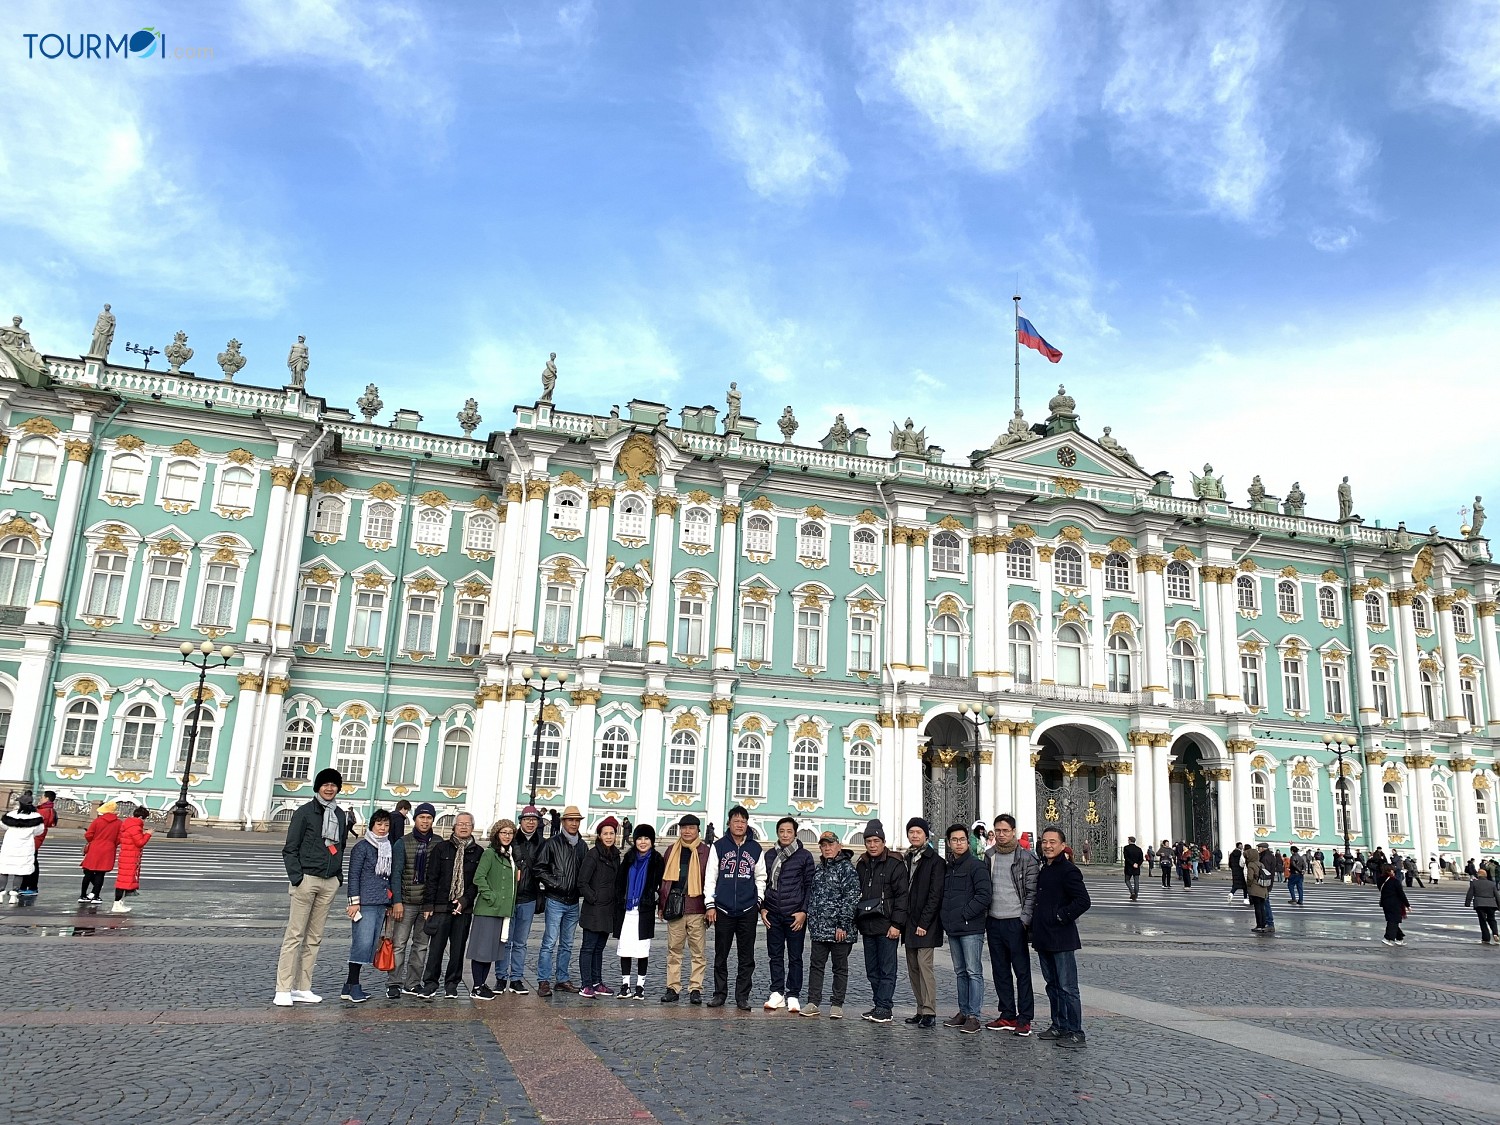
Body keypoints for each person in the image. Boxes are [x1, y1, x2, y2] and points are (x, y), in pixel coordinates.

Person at [274, 767, 351, 1007]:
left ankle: (303, 987)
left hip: (329, 881)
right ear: (318, 787)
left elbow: (341, 846)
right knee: (294, 935)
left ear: (338, 788)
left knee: (314, 937)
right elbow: (290, 848)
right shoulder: (304, 813)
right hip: (306, 879)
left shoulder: (339, 815)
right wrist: (298, 877)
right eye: (325, 784)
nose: (329, 788)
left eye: (334, 785)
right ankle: (283, 989)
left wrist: (337, 875)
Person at [1032, 827, 1092, 1048]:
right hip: (1044, 937)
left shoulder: (1068, 870)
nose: (1047, 846)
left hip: (1062, 937)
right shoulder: (1044, 868)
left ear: (1062, 844)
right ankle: (1059, 1025)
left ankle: (1076, 1031)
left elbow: (1083, 901)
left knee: (1068, 987)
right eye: (1044, 842)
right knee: (1052, 985)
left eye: (1052, 842)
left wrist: (1060, 916)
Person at [705, 805, 765, 1011]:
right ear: (729, 823)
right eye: (735, 821)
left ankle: (742, 996)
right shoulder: (719, 846)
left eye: (743, 821)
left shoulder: (755, 848)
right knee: (720, 955)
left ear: (747, 824)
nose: (739, 825)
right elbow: (711, 877)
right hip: (722, 909)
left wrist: (758, 900)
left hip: (747, 910)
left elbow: (761, 877)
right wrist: (710, 904)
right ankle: (719, 994)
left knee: (746, 956)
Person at [985, 813, 1039, 1036]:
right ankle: (1007, 1013)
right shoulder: (989, 855)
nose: (1001, 834)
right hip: (994, 921)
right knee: (1000, 971)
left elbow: (1032, 892)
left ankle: (1024, 1018)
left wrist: (1024, 920)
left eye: (1005, 830)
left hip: (1015, 922)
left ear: (1014, 832)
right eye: (998, 830)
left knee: (1022, 971)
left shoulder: (1026, 857)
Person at [421, 812, 482, 999]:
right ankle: (430, 983)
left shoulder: (479, 852)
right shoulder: (442, 849)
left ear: (472, 827)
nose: (463, 827)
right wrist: (428, 905)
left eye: (467, 824)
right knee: (436, 948)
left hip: (463, 908)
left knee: (458, 949)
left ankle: (452, 984)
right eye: (460, 824)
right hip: (441, 906)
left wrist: (465, 900)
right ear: (454, 827)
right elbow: (431, 877)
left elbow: (477, 882)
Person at [853, 819, 908, 1024]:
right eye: (869, 841)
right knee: (872, 970)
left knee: (887, 969)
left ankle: (885, 1007)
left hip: (887, 925)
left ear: (883, 842)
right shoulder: (862, 864)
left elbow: (903, 897)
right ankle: (879, 1004)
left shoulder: (895, 863)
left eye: (876, 840)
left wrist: (897, 924)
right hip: (867, 924)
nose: (873, 845)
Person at [940, 823, 992, 1034]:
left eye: (962, 839)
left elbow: (984, 896)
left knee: (973, 972)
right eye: (954, 840)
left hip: (971, 928)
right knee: (960, 972)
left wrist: (965, 913)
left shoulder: (976, 866)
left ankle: (974, 1016)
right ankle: (963, 1011)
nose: (958, 843)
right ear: (949, 843)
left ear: (967, 841)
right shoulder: (949, 867)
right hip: (954, 928)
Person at [761, 816, 815, 1013]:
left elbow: (810, 885)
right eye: (782, 831)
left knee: (795, 956)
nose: (785, 835)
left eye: (789, 831)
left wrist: (803, 912)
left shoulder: (804, 856)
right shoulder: (768, 855)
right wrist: (763, 908)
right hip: (773, 913)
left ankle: (793, 993)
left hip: (795, 915)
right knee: (774, 955)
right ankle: (777, 992)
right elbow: (762, 883)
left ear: (795, 834)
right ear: (777, 833)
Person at [534, 805, 589, 997]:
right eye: (570, 820)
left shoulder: (582, 845)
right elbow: (539, 869)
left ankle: (562, 979)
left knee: (567, 943)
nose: (574, 823)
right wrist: (555, 884)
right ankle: (543, 981)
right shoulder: (552, 843)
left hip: (573, 901)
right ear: (563, 822)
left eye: (577, 820)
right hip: (555, 899)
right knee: (549, 942)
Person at [341, 808, 395, 1004]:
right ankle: (354, 985)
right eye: (379, 824)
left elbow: (387, 877)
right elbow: (353, 875)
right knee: (361, 944)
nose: (382, 828)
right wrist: (354, 903)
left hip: (381, 903)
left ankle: (348, 986)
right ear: (372, 825)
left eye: (386, 825)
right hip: (364, 903)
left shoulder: (387, 846)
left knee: (371, 945)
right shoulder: (362, 847)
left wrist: (389, 900)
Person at [804, 830, 859, 1019]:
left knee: (839, 967)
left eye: (831, 845)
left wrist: (842, 925)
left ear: (839, 846)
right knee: (816, 966)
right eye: (824, 845)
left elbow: (850, 898)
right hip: (820, 929)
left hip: (840, 931)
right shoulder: (820, 868)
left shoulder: (847, 869)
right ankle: (813, 1002)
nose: (827, 848)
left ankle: (837, 1004)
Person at [659, 814, 710, 1004]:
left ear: (698, 830)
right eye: (684, 828)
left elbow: (711, 881)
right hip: (675, 908)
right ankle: (673, 987)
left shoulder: (706, 852)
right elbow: (665, 881)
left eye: (691, 828)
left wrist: (710, 907)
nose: (687, 831)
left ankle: (695, 988)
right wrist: (662, 905)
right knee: (674, 950)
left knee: (698, 952)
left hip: (697, 907)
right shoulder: (672, 850)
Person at [387, 802, 434, 998]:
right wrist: (396, 901)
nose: (425, 821)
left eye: (429, 818)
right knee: (399, 944)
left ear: (432, 820)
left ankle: (413, 982)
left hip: (426, 905)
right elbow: (396, 873)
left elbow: (437, 876)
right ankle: (394, 982)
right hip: (405, 903)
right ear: (414, 819)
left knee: (421, 946)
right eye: (421, 817)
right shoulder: (402, 843)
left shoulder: (438, 843)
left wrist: (431, 904)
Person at [901, 817, 946, 1029]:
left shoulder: (935, 861)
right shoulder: (907, 857)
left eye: (919, 832)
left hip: (925, 924)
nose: (915, 835)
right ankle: (920, 1008)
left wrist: (925, 922)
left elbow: (935, 895)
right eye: (912, 832)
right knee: (913, 968)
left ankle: (930, 1011)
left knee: (925, 966)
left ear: (926, 836)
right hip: (909, 922)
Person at [468, 818, 518, 1001]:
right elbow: (479, 877)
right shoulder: (490, 853)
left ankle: (481, 984)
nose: (507, 836)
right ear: (497, 834)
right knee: (482, 950)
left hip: (501, 911)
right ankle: (476, 986)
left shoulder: (510, 854)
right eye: (504, 832)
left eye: (510, 833)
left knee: (491, 951)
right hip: (488, 909)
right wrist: (491, 896)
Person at [614, 823, 664, 999]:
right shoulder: (628, 859)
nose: (643, 842)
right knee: (626, 948)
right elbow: (620, 883)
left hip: (645, 910)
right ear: (634, 841)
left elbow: (661, 885)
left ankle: (640, 986)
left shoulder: (657, 860)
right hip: (627, 910)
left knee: (642, 949)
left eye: (646, 838)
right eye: (639, 839)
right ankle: (625, 984)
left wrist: (658, 903)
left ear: (652, 841)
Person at [500, 805, 546, 994]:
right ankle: (501, 977)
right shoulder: (510, 841)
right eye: (527, 819)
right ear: (521, 821)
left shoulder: (543, 843)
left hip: (528, 898)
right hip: (509, 898)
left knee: (520, 942)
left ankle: (517, 978)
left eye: (534, 819)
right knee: (505, 940)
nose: (530, 822)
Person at [578, 816, 622, 997]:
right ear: (600, 835)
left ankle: (597, 982)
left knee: (599, 948)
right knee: (588, 947)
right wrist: (593, 898)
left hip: (607, 910)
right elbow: (582, 882)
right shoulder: (593, 854)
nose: (609, 837)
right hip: (594, 909)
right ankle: (586, 984)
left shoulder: (615, 856)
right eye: (606, 833)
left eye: (612, 833)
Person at [0, 793, 45, 902]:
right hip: (25, 848)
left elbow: (3, 825)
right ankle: (14, 894)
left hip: (9, 847)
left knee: (4, 870)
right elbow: (39, 831)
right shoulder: (35, 817)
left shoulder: (11, 815)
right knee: (20, 871)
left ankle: (0, 893)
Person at [111, 806, 153, 913]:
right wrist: (148, 834)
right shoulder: (135, 827)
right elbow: (140, 842)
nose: (144, 821)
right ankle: (117, 904)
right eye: (144, 818)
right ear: (140, 817)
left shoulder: (127, 825)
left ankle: (120, 903)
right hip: (130, 857)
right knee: (123, 882)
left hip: (126, 855)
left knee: (123, 880)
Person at [80, 801, 123, 904]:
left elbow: (88, 835)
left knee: (88, 873)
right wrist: (112, 844)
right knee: (100, 873)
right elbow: (119, 838)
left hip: (95, 847)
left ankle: (83, 895)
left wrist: (93, 841)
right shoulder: (119, 823)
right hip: (108, 848)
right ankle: (96, 896)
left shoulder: (97, 821)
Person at [19, 790, 57, 897]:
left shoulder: (44, 811)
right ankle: (25, 886)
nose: (40, 799)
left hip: (34, 839)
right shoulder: (45, 810)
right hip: (35, 839)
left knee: (31, 863)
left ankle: (31, 887)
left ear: (47, 799)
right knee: (30, 862)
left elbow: (36, 825)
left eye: (42, 797)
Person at [1464, 865, 1499, 945]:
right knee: (1492, 919)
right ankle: (1495, 933)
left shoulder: (1474, 883)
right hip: (1491, 904)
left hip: (1479, 904)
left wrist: (1467, 903)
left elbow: (1470, 893)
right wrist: (1499, 905)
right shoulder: (1492, 884)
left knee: (1482, 921)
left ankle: (1486, 938)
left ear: (1478, 875)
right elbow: (1497, 895)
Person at [1245, 841, 1275, 933]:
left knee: (1263, 905)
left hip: (1261, 884)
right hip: (1266, 883)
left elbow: (1254, 876)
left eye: (1259, 848)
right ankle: (1265, 924)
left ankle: (1268, 924)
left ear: (1263, 848)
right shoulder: (1270, 856)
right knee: (1263, 905)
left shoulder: (1264, 858)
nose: (1258, 850)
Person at [1379, 865, 1411, 946]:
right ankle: (1388, 938)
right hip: (1395, 904)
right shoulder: (1395, 881)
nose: (1393, 872)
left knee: (1392, 920)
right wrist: (1407, 905)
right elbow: (1401, 894)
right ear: (1389, 871)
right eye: (1392, 871)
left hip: (1385, 903)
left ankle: (1399, 938)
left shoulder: (1380, 880)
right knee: (1393, 921)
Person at [1121, 836, 1143, 902]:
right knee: (1136, 882)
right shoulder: (1139, 849)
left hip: (1129, 867)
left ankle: (1132, 891)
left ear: (1129, 841)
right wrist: (1137, 864)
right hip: (1136, 868)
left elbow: (1126, 858)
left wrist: (1132, 863)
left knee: (1127, 880)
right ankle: (1136, 894)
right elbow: (1141, 859)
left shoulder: (1126, 848)